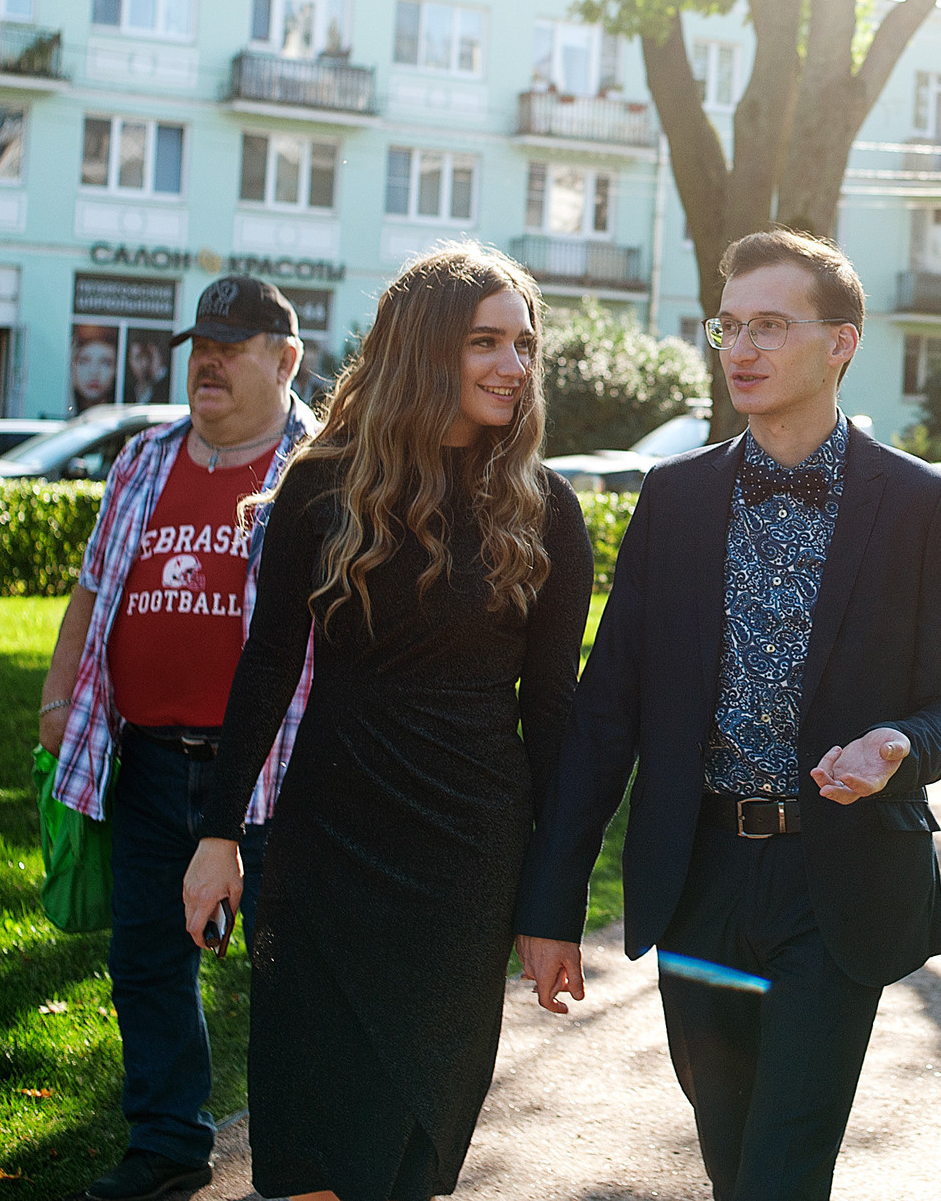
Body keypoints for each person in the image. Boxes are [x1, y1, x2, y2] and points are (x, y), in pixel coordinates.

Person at [514, 228, 941, 1201]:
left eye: (771, 325)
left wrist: (900, 744)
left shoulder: (919, 503)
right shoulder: (675, 498)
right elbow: (606, 716)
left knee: (783, 1166)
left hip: (837, 882)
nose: (741, 348)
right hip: (700, 879)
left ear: (841, 341)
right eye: (728, 325)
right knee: (732, 1157)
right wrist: (551, 905)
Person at [182, 248, 593, 1201]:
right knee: (308, 1146)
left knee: (409, 1145)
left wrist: (553, 898)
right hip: (326, 846)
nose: (512, 366)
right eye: (485, 342)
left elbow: (555, 710)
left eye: (524, 344)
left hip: (464, 861)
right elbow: (267, 666)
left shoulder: (544, 509)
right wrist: (217, 833)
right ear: (422, 350)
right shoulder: (321, 488)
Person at [37, 278, 318, 1201]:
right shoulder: (143, 460)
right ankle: (166, 1145)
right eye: (202, 342)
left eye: (234, 346)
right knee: (148, 961)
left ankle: (304, 1152)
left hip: (280, 776)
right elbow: (92, 588)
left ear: (285, 360)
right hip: (150, 763)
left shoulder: (322, 471)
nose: (209, 361)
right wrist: (57, 699)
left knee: (290, 969)